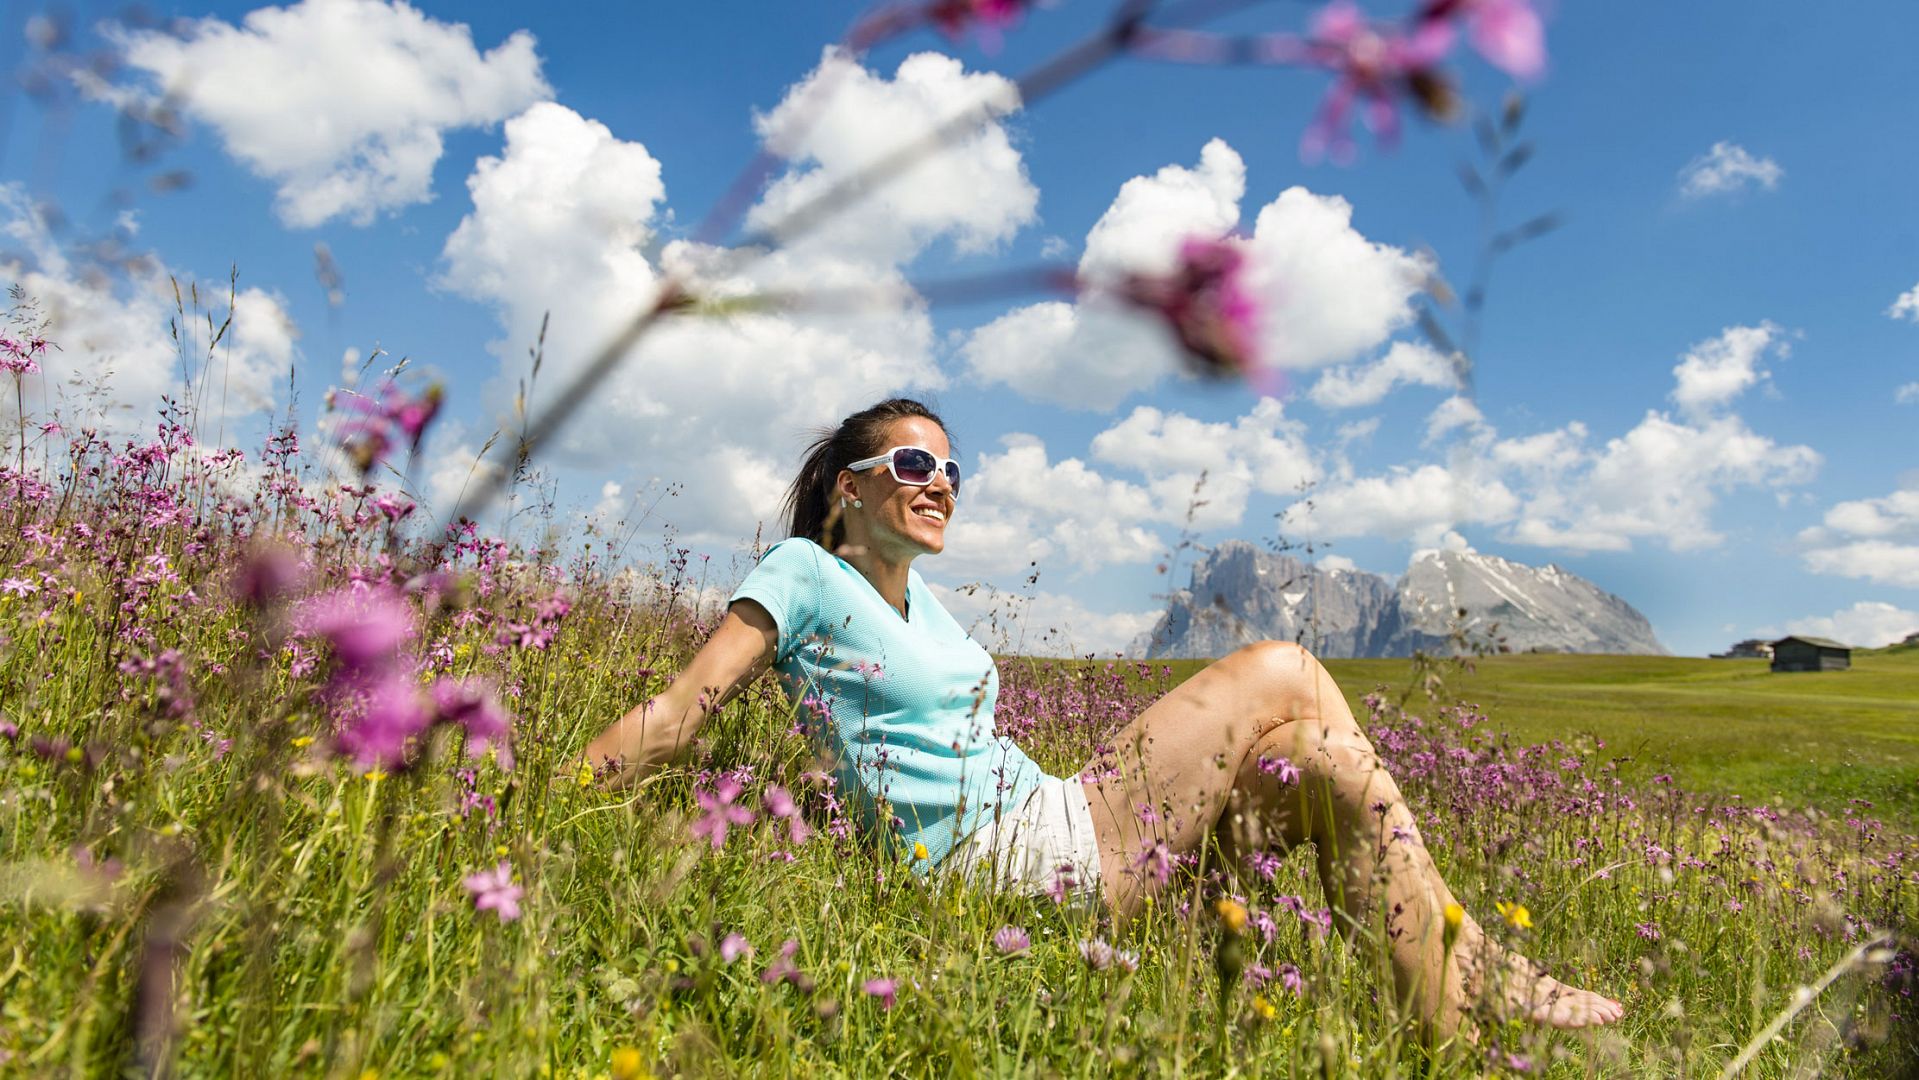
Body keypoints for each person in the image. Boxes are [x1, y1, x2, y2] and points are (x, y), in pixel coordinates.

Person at [583, 397, 1623, 1037]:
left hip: (1058, 825)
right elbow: (681, 711)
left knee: (1330, 765)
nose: (938, 483)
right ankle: (1479, 960)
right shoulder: (802, 570)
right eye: (911, 465)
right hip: (1005, 861)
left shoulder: (929, 606)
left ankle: (1439, 1031)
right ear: (846, 491)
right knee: (1284, 667)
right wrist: (530, 804)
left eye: (950, 470)